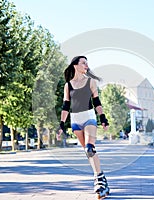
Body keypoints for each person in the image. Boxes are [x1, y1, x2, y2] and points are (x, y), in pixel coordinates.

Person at [57, 56, 110, 199]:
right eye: (83, 63)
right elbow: (66, 105)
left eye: (87, 63)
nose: (86, 65)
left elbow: (96, 101)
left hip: (89, 117)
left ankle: (98, 180)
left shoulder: (90, 81)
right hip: (75, 120)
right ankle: (102, 178)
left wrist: (102, 117)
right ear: (75, 65)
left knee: (90, 148)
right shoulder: (68, 85)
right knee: (88, 153)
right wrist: (61, 124)